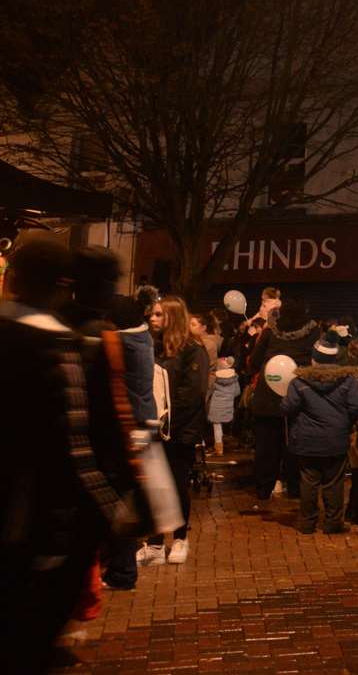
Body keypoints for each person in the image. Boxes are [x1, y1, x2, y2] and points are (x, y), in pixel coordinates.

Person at [0, 239, 135, 671]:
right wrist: (115, 508)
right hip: (31, 527)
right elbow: (73, 448)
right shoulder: (62, 348)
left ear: (11, 277)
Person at [140, 295, 209, 567]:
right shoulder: (154, 347)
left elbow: (193, 394)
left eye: (159, 314)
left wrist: (169, 422)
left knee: (177, 483)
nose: (153, 319)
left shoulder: (193, 350)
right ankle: (155, 542)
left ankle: (179, 538)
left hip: (180, 432)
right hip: (155, 426)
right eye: (152, 314)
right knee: (155, 486)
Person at [281, 332, 358, 535]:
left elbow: (287, 408)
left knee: (309, 481)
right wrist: (344, 422)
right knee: (334, 482)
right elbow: (357, 405)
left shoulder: (299, 382)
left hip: (306, 440)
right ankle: (333, 523)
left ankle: (308, 523)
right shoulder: (347, 381)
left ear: (313, 358)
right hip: (335, 439)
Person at [102, 293, 157, 592]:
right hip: (144, 424)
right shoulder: (144, 339)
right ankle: (121, 566)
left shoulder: (123, 345)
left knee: (121, 499)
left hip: (130, 427)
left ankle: (121, 571)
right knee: (128, 497)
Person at [248, 296, 320, 503]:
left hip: (267, 395)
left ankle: (263, 488)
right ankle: (295, 488)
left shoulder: (271, 331)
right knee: (296, 443)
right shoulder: (313, 332)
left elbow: (255, 360)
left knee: (266, 445)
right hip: (299, 394)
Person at [208, 356, 238, 454]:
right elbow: (237, 392)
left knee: (217, 425)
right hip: (228, 405)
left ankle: (219, 447)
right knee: (226, 423)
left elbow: (210, 391)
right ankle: (225, 443)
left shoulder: (215, 378)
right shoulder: (234, 379)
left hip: (216, 405)